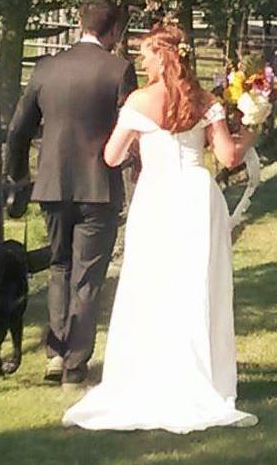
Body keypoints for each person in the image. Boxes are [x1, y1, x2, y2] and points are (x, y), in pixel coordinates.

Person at [62, 24, 258, 433]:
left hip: (157, 197)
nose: (142, 61)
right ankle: (203, 376)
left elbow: (112, 157)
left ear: (165, 56)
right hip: (196, 194)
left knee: (151, 285)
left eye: (148, 54)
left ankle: (149, 372)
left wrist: (140, 139)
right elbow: (228, 156)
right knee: (196, 285)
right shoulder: (205, 102)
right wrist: (252, 128)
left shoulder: (139, 101)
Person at [4, 0, 138, 391]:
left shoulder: (47, 67)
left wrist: (20, 177)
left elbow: (18, 131)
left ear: (81, 24)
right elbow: (128, 128)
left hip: (52, 185)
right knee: (88, 275)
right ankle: (76, 365)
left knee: (59, 266)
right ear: (114, 31)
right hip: (99, 186)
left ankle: (56, 352)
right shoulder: (119, 70)